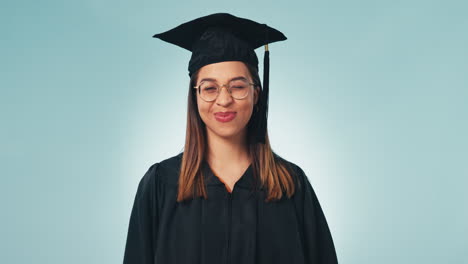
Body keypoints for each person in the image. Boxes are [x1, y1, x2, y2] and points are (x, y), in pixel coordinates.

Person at [123, 13, 338, 264]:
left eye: (237, 86)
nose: (224, 100)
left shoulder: (291, 185)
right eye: (210, 88)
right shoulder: (160, 184)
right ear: (195, 96)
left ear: (256, 94)